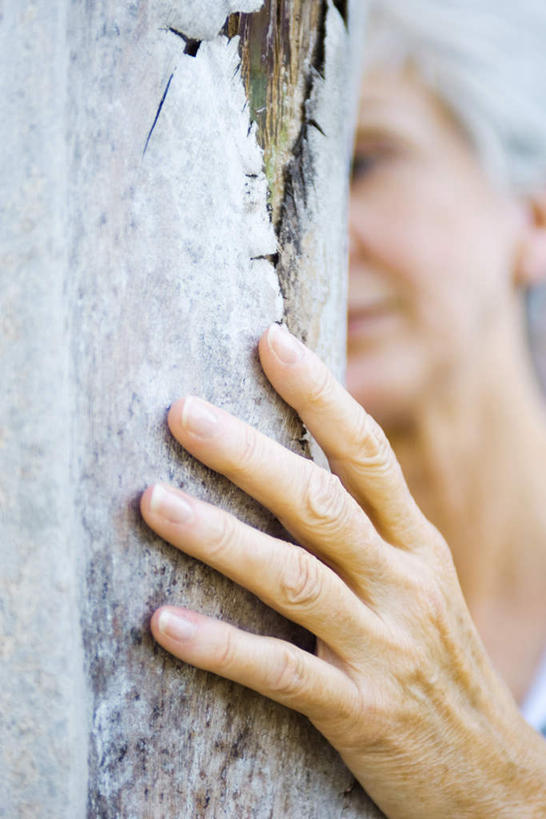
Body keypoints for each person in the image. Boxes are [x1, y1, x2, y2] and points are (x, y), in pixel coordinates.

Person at [139, 1, 546, 815]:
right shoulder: (239, 590)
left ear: (533, 216)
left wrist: (495, 786)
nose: (315, 233)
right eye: (284, 176)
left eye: (365, 162)